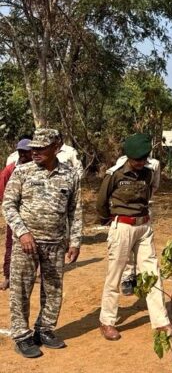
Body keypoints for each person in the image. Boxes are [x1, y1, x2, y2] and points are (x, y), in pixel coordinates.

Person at [96, 134, 172, 342]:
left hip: (144, 227)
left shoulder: (149, 172)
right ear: (129, 157)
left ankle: (161, 322)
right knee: (115, 275)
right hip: (122, 227)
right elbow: (101, 202)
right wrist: (108, 221)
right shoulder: (115, 175)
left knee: (152, 273)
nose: (140, 163)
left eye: (143, 159)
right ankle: (107, 321)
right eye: (137, 160)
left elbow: (150, 193)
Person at [2, 128, 82, 358]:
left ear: (56, 148)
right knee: (21, 289)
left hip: (56, 243)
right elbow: (8, 205)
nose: (34, 152)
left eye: (41, 148)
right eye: (33, 148)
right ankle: (21, 335)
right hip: (26, 243)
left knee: (54, 289)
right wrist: (23, 233)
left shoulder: (70, 175)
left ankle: (45, 329)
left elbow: (75, 210)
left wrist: (75, 240)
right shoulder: (22, 172)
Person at [110, 153, 162, 296]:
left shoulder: (154, 164)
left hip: (143, 211)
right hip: (124, 215)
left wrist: (142, 198)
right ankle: (127, 277)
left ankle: (141, 277)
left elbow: (154, 185)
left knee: (145, 253)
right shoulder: (121, 162)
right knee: (124, 252)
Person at [0, 139, 33, 290]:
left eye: (26, 151)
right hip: (15, 215)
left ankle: (32, 276)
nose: (23, 154)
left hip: (34, 216)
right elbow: (2, 192)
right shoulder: (10, 170)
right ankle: (8, 276)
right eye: (20, 151)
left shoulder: (39, 169)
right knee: (10, 244)